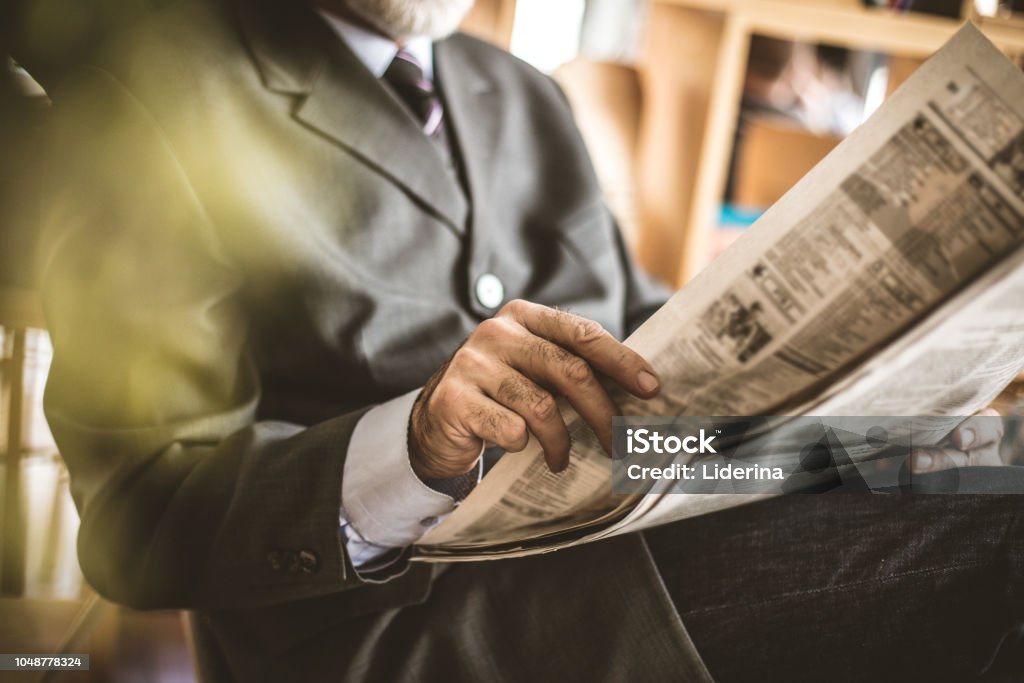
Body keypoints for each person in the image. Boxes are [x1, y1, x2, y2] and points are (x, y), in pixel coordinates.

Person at [37, 0, 1024, 680]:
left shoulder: (519, 93)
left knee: (987, 466)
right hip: (407, 632)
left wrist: (877, 421)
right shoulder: (143, 102)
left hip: (653, 526)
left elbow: (652, 358)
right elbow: (140, 516)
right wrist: (417, 440)